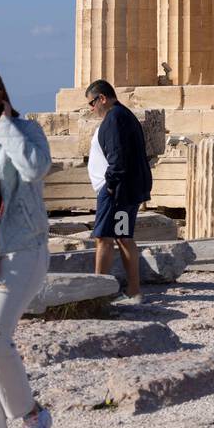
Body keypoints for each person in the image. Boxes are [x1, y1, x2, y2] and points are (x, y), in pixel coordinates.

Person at [0, 66, 54, 428]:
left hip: (22, 250)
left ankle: (33, 414)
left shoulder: (26, 131)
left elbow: (33, 168)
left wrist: (3, 125)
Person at [86, 80, 152, 303]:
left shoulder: (114, 118)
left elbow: (117, 157)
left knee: (104, 238)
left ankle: (97, 294)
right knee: (123, 237)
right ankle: (133, 291)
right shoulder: (124, 114)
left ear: (102, 98)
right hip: (124, 191)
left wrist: (111, 186)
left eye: (92, 103)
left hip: (116, 193)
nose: (91, 109)